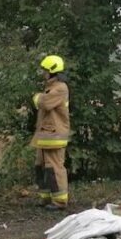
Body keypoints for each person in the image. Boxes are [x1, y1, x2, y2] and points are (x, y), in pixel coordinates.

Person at [31, 54, 71, 209]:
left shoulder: (60, 88)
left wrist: (36, 98)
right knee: (41, 166)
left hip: (54, 135)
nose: (43, 73)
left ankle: (60, 201)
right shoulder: (50, 88)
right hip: (45, 135)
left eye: (45, 70)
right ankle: (46, 197)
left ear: (52, 71)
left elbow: (45, 103)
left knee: (54, 168)